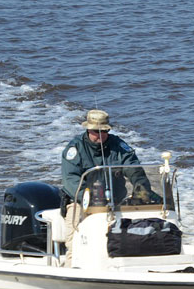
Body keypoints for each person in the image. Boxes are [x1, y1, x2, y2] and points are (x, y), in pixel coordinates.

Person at [60, 109, 148, 266]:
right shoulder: (75, 148)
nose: (100, 136)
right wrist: (89, 199)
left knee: (138, 232)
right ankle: (71, 266)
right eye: (96, 132)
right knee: (74, 242)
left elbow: (133, 168)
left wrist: (142, 190)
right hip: (82, 202)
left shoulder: (118, 146)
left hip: (115, 200)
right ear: (88, 129)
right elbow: (70, 180)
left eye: (104, 131)